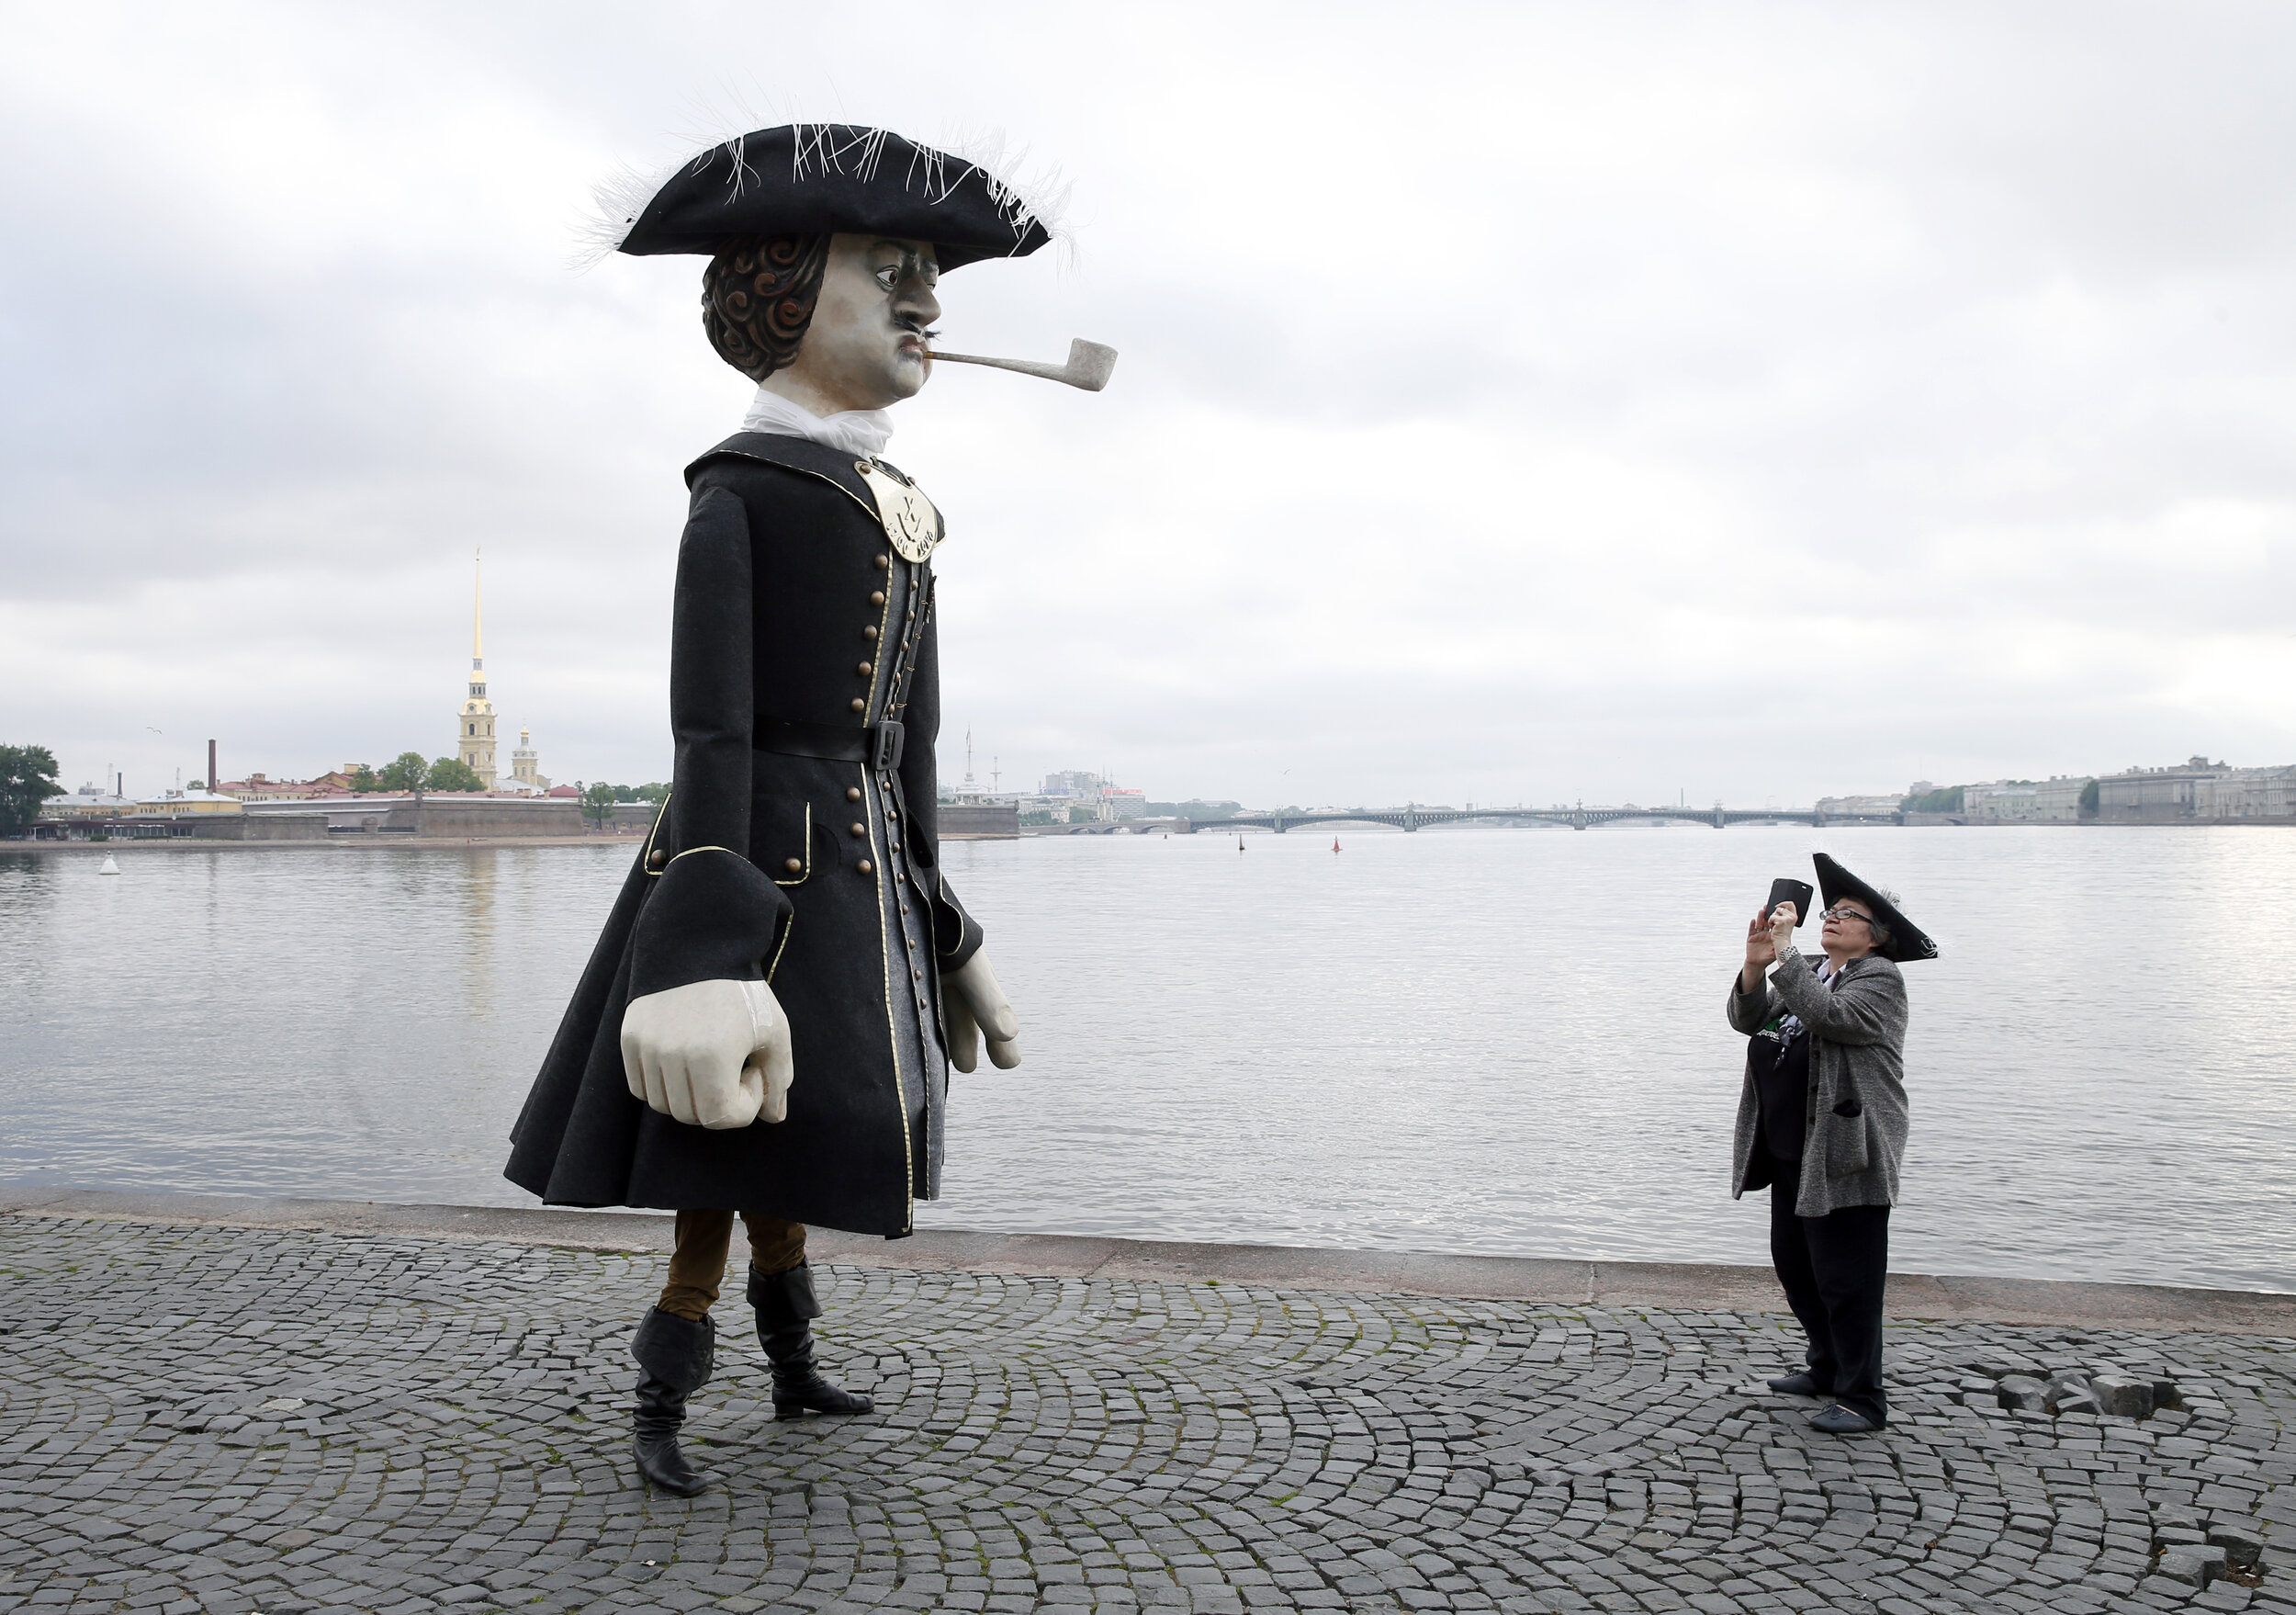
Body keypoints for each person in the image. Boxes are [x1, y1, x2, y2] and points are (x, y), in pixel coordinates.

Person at [503, 123, 1065, 1496]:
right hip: (753, 868)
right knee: (716, 1149)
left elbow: (907, 743)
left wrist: (944, 923)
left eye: (930, 275)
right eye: (890, 269)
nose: (926, 302)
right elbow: (712, 731)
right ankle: (666, 1392)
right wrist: (701, 956)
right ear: (786, 299)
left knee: (792, 1136)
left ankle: (795, 1363)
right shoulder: (740, 493)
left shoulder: (903, 505)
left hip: (862, 882)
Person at [1727, 853, 1935, 1434]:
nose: (1833, 918)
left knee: (1848, 1280)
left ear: (1878, 936)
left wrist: (1785, 953)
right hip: (1791, 1147)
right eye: (1832, 911)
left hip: (1845, 1154)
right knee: (1797, 1268)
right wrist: (1754, 965)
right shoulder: (1814, 969)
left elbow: (1831, 1018)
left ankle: (1862, 1398)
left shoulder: (1880, 979)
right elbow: (1748, 1019)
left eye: (1848, 914)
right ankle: (1825, 1366)